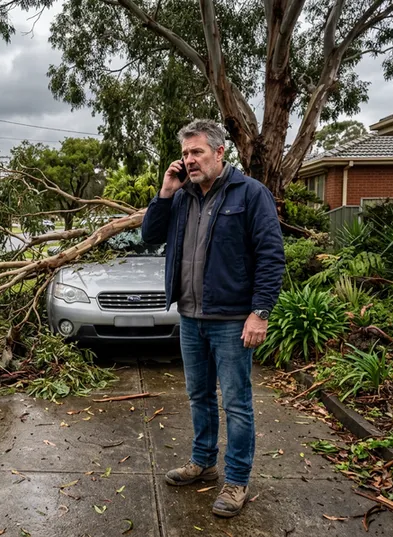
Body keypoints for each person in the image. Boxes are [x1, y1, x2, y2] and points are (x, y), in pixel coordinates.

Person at [141, 119, 285, 518]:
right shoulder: (182, 196)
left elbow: (271, 256)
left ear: (220, 152)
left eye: (197, 152)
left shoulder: (251, 194)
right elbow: (150, 236)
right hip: (189, 316)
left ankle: (237, 480)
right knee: (199, 396)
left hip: (231, 320)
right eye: (185, 153)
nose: (189, 160)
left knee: (236, 404)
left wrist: (260, 313)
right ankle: (203, 462)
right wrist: (165, 193)